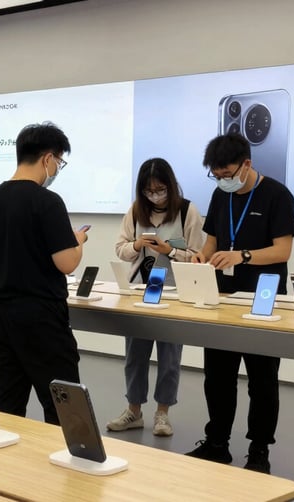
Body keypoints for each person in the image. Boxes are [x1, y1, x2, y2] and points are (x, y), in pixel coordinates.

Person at [186, 133, 294, 474]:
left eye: (227, 174)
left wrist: (243, 255)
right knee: (217, 375)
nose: (222, 181)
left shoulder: (278, 195)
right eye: (216, 176)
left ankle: (259, 450)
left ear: (246, 164)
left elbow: (282, 251)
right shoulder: (221, 196)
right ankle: (217, 442)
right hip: (223, 296)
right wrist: (200, 259)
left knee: (263, 377)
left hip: (264, 295)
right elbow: (211, 243)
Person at [0, 122, 88, 423]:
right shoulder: (48, 202)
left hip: (0, 314)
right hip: (41, 316)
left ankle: (8, 465)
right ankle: (71, 463)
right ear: (48, 158)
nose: (58, 168)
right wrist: (77, 242)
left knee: (9, 398)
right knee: (63, 400)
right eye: (59, 161)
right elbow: (67, 263)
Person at [107, 158, 204, 436]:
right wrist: (137, 244)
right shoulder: (137, 210)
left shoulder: (188, 211)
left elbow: (198, 255)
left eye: (160, 189)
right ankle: (133, 411)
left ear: (170, 186)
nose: (155, 196)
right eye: (149, 191)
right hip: (140, 290)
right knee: (134, 355)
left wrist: (169, 250)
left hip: (174, 292)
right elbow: (120, 248)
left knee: (170, 356)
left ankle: (163, 413)